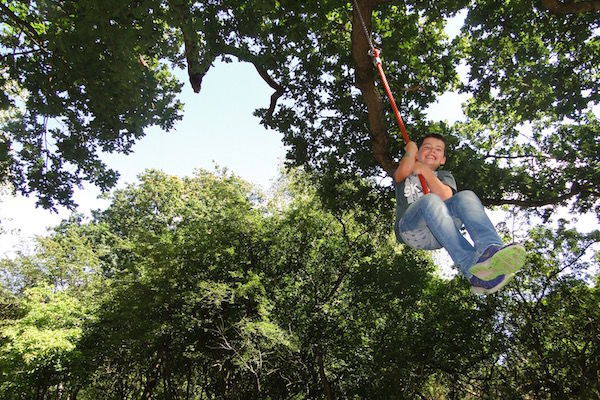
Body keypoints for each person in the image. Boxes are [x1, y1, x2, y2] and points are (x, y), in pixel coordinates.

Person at [393, 133, 526, 294]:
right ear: (418, 154)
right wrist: (411, 150)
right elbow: (401, 173)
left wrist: (426, 172)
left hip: (441, 228)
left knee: (466, 196)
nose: (432, 151)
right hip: (413, 229)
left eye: (438, 149)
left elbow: (446, 196)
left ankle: (488, 252)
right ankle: (472, 264)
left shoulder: (444, 176)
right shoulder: (408, 173)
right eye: (426, 147)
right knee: (430, 201)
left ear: (443, 159)